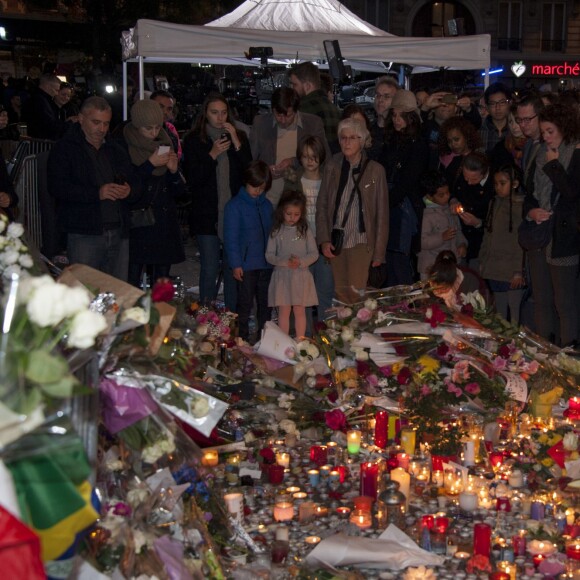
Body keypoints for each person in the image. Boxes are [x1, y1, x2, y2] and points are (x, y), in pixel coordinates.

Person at [47, 96, 139, 281]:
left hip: (118, 231)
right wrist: (96, 193)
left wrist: (129, 190)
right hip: (84, 232)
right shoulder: (65, 149)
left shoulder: (115, 148)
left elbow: (135, 181)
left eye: (106, 123)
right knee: (85, 291)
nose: (102, 129)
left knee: (118, 292)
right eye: (96, 122)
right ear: (81, 118)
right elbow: (57, 187)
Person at [182, 92, 251, 311]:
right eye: (214, 113)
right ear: (206, 114)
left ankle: (230, 316)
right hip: (207, 214)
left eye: (223, 113)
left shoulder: (237, 137)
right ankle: (206, 314)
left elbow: (249, 173)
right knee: (210, 267)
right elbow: (193, 179)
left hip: (233, 215)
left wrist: (238, 142)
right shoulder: (194, 140)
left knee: (233, 267)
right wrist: (211, 154)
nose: (220, 118)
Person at [524, 103, 580, 346]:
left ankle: (569, 356)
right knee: (542, 299)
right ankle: (543, 351)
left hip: (565, 240)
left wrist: (554, 165)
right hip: (540, 235)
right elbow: (529, 193)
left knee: (565, 303)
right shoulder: (540, 154)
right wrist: (531, 211)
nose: (546, 137)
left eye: (550, 131)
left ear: (564, 129)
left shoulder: (576, 154)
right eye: (543, 132)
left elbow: (572, 194)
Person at [316, 117, 389, 304]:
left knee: (357, 295)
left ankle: (358, 333)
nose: (346, 142)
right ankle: (344, 332)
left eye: (352, 138)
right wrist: (323, 239)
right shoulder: (332, 166)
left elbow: (382, 215)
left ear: (362, 140)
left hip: (362, 241)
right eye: (343, 137)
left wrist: (379, 253)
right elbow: (322, 205)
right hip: (337, 240)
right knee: (340, 295)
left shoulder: (375, 170)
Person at [122, 99, 185, 287]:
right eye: (148, 128)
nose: (154, 133)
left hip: (163, 224)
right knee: (131, 280)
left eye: (158, 127)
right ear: (137, 125)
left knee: (162, 284)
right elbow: (129, 188)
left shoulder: (166, 141)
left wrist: (174, 172)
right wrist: (150, 165)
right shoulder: (124, 144)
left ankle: (161, 316)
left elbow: (181, 195)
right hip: (139, 223)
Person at [379, 89, 429, 286]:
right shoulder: (391, 141)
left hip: (404, 209)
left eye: (401, 115)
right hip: (391, 205)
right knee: (390, 261)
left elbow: (408, 182)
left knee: (400, 262)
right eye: (394, 114)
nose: (397, 119)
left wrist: (384, 202)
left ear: (411, 117)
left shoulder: (418, 145)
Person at [250, 87, 329, 207]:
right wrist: (264, 171)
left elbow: (324, 158)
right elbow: (250, 160)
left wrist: (293, 161)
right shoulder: (260, 123)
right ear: (272, 110)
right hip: (267, 199)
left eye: (288, 115)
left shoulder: (313, 124)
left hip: (301, 201)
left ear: (296, 110)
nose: (283, 120)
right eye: (278, 115)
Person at [283, 135, 334, 321]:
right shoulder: (294, 179)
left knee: (325, 290)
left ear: (321, 156)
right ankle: (304, 334)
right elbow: (284, 210)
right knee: (302, 294)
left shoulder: (329, 179)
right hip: (301, 244)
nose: (310, 161)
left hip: (323, 243)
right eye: (305, 156)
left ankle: (325, 333)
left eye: (314, 156)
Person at [224, 161, 274, 343]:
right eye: (255, 187)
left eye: (262, 188)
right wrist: (235, 263)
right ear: (246, 182)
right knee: (244, 305)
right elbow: (231, 238)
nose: (258, 191)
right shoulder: (235, 206)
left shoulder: (267, 205)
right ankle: (241, 339)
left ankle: (264, 338)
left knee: (265, 305)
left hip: (266, 264)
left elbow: (272, 233)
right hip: (246, 265)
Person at [266, 190, 319, 338]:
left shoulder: (304, 230)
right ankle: (284, 342)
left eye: (296, 214)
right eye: (289, 214)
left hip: (300, 276)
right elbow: (269, 255)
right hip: (282, 276)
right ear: (282, 211)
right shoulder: (276, 230)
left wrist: (300, 262)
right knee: (283, 311)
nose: (292, 218)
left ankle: (300, 341)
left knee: (299, 310)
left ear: (301, 214)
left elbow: (314, 254)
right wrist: (284, 262)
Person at [479, 163, 525, 323]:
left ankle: (515, 345)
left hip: (511, 269)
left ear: (515, 184)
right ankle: (503, 344)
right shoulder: (495, 203)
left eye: (502, 183)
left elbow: (521, 241)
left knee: (514, 312)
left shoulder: (520, 206)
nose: (498, 187)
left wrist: (518, 270)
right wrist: (483, 260)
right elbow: (488, 234)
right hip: (495, 266)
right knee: (500, 312)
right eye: (496, 184)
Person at [417, 171, 467, 280]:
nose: (446, 196)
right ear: (430, 196)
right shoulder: (425, 215)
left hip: (450, 264)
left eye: (448, 192)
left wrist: (462, 244)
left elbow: (457, 231)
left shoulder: (450, 209)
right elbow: (422, 241)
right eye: (441, 195)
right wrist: (441, 237)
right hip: (431, 266)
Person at [450, 151, 494, 270]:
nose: (469, 182)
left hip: (482, 243)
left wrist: (478, 223)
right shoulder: (462, 176)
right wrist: (453, 201)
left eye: (473, 179)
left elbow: (498, 221)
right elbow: (453, 191)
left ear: (484, 173)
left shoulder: (494, 185)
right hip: (462, 237)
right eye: (466, 178)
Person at [289, 62, 341, 150]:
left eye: (295, 85)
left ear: (307, 86)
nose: (292, 89)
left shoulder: (301, 109)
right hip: (331, 162)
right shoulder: (336, 110)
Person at [437, 116, 481, 189]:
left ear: (466, 136)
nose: (453, 144)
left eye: (456, 139)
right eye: (449, 141)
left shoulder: (478, 158)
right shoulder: (455, 160)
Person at [22, 73, 66, 140]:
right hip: (40, 142)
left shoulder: (39, 98)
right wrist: (68, 124)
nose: (57, 93)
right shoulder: (39, 100)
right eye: (56, 90)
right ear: (47, 86)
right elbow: (49, 124)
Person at [516, 93, 545, 195]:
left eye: (527, 120)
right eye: (519, 120)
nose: (522, 125)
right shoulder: (528, 143)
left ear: (540, 116)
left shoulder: (550, 145)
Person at [367, 76, 399, 161]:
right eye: (378, 95)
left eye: (386, 96)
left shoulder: (399, 132)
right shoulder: (367, 129)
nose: (380, 100)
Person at [479, 82, 512, 155]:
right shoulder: (479, 131)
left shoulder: (516, 129)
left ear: (509, 103)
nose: (498, 108)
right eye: (493, 103)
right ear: (487, 107)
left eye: (502, 102)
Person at [150, 89, 182, 160]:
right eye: (161, 106)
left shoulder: (170, 134)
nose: (165, 112)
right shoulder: (133, 129)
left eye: (169, 109)